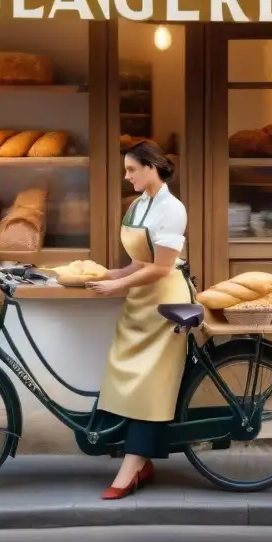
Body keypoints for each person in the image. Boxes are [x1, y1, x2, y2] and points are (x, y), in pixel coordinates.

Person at [87, 138, 193, 500]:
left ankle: (130, 470)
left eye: (132, 169)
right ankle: (142, 462)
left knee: (149, 388)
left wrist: (118, 287)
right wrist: (109, 275)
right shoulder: (137, 206)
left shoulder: (172, 209)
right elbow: (137, 264)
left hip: (165, 307)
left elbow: (162, 269)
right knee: (126, 382)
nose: (127, 176)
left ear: (151, 167)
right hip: (138, 305)